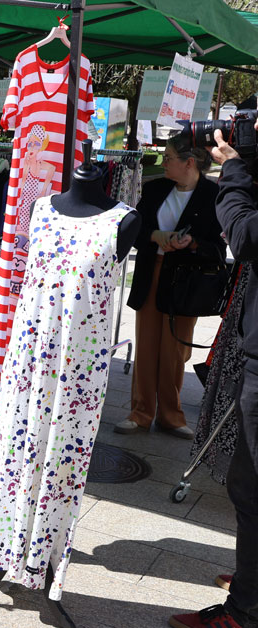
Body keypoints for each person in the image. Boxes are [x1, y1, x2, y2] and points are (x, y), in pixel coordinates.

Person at [167, 124, 258, 628]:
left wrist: (236, 171)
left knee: (251, 488)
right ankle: (251, 582)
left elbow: (244, 235)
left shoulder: (239, 174)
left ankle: (243, 613)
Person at [116, 138, 222, 439]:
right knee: (147, 347)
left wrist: (194, 243)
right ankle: (140, 413)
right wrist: (154, 236)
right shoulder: (154, 189)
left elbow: (219, 245)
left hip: (187, 282)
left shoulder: (213, 195)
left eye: (170, 157)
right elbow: (132, 230)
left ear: (190, 162)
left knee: (175, 351)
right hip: (152, 275)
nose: (164, 163)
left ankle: (170, 416)